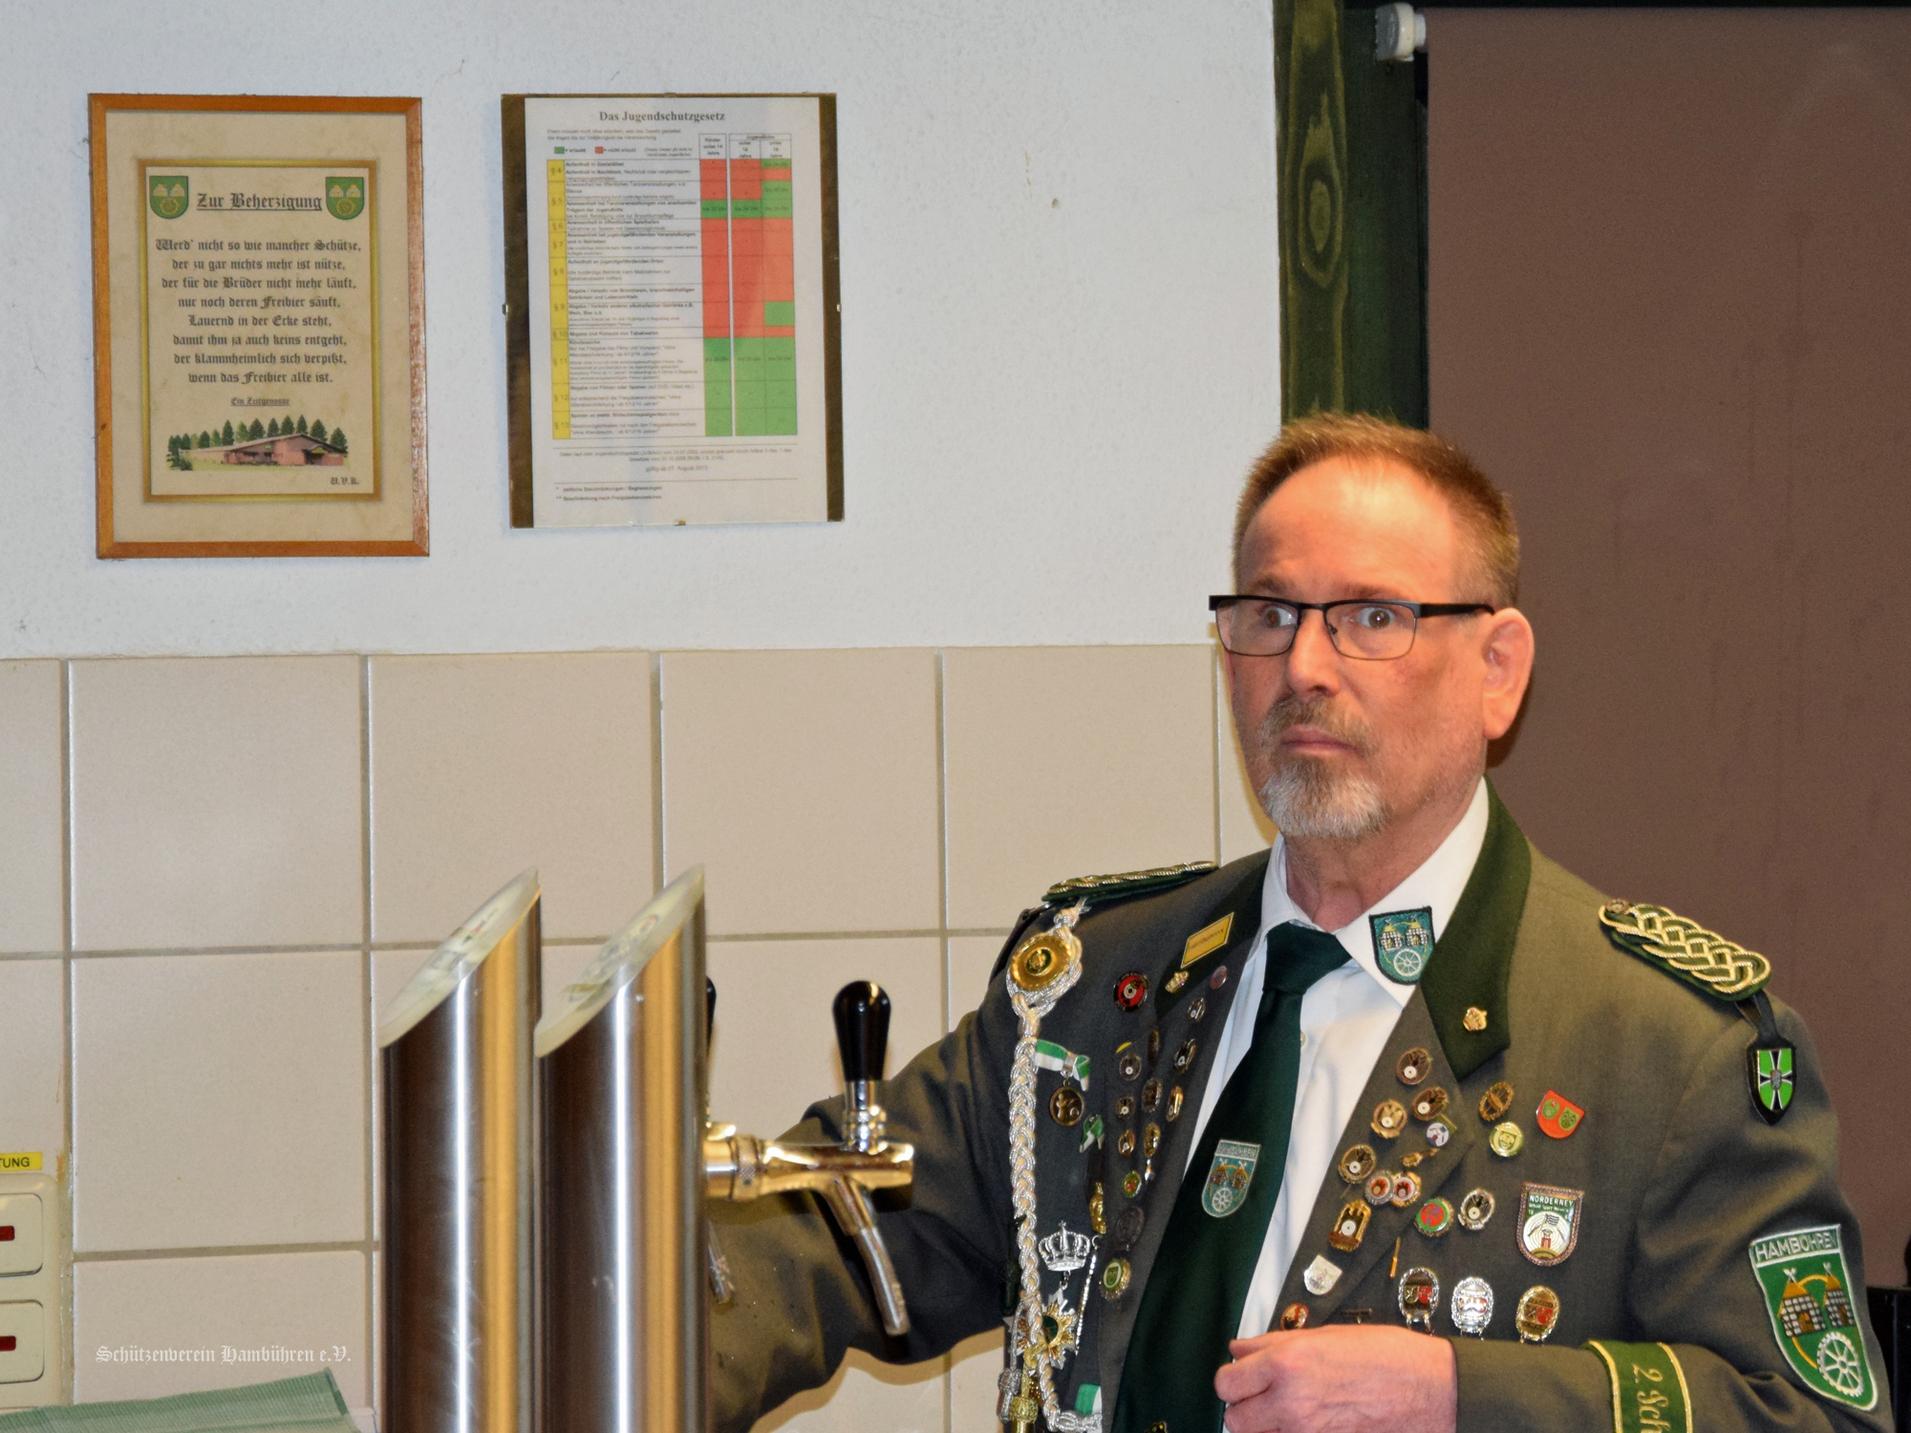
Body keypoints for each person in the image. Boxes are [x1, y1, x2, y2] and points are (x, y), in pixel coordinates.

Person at [711, 414, 1893, 1433]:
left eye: (1373, 616)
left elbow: (1812, 1412)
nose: (1306, 665)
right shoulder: (1092, 985)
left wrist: (1463, 1395)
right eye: (1269, 612)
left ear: (1498, 669)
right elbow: (817, 1239)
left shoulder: (1669, 1048)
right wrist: (623, 1330)